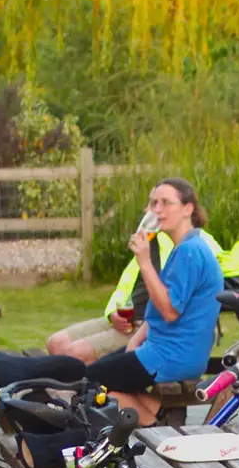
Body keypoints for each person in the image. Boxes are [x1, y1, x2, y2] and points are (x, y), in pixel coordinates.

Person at [82, 178, 223, 426]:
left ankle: (154, 427)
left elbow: (169, 311)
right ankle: (159, 414)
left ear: (187, 209)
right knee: (103, 377)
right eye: (154, 203)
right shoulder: (186, 246)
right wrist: (137, 337)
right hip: (165, 350)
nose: (156, 210)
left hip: (172, 357)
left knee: (90, 383)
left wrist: (144, 261)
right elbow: (164, 305)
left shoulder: (190, 251)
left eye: (165, 203)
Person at [46, 205, 174, 364]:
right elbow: (124, 287)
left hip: (146, 327)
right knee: (56, 343)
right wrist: (113, 312)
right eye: (150, 203)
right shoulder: (148, 243)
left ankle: (93, 387)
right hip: (125, 319)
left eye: (158, 203)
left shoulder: (185, 244)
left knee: (75, 353)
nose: (147, 210)